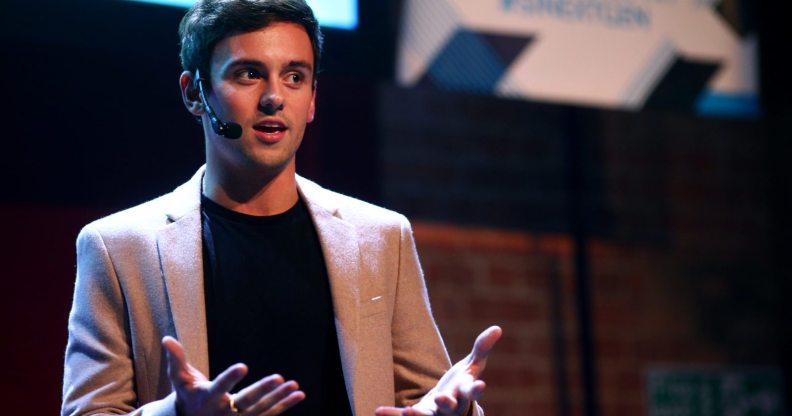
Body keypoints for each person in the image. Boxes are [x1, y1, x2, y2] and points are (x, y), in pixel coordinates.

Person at [61, 1, 501, 415]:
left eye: (294, 76)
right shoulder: (117, 247)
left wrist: (456, 410)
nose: (274, 97)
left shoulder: (381, 236)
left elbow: (424, 398)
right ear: (195, 93)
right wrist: (177, 411)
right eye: (249, 74)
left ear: (311, 98)